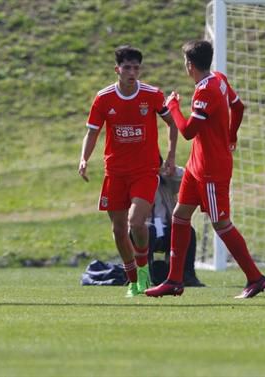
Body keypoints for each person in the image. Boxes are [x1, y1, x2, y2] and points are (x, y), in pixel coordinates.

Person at [145, 40, 265, 299]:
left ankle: (256, 278)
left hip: (212, 169)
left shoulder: (206, 91)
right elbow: (238, 106)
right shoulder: (219, 79)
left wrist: (173, 108)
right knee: (179, 216)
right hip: (196, 166)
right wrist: (231, 134)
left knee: (221, 223)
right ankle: (174, 280)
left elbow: (188, 131)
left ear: (189, 65)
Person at [79, 45, 178, 298]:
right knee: (118, 230)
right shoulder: (103, 98)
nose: (132, 72)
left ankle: (144, 272)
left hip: (145, 171)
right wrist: (83, 159)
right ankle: (133, 280)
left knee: (136, 222)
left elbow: (172, 124)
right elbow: (93, 131)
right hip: (115, 172)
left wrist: (170, 156)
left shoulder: (152, 94)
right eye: (127, 67)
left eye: (136, 67)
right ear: (117, 70)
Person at [146, 161, 205, 287]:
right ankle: (146, 275)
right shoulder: (138, 182)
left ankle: (187, 275)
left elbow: (186, 176)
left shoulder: (167, 182)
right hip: (147, 226)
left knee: (189, 231)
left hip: (166, 227)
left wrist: (170, 169)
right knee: (147, 230)